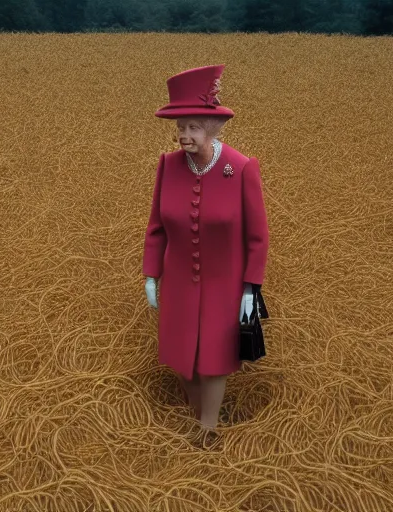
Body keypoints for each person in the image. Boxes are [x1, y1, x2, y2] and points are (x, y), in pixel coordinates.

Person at [142, 64, 269, 434]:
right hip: (179, 279)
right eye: (180, 128)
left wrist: (251, 287)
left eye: (193, 127)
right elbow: (156, 226)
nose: (184, 135)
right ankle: (199, 414)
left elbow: (258, 237)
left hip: (224, 283)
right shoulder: (167, 166)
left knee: (214, 356)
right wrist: (151, 275)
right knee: (182, 355)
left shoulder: (241, 169)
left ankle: (208, 429)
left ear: (212, 129)